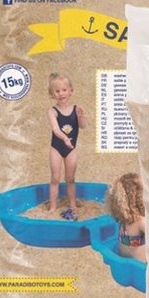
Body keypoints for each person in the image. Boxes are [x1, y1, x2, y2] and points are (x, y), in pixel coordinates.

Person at [46, 72, 85, 219]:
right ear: (52, 94)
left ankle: (73, 204)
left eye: (64, 90)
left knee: (70, 178)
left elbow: (83, 126)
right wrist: (65, 138)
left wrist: (81, 116)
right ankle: (53, 206)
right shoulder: (52, 111)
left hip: (71, 150)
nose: (61, 93)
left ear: (71, 91)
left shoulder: (76, 109)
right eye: (57, 91)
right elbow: (56, 129)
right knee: (55, 178)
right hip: (56, 148)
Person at [106, 172, 146, 261]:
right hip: (140, 263)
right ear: (139, 197)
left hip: (124, 258)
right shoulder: (140, 221)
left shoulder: (123, 219)